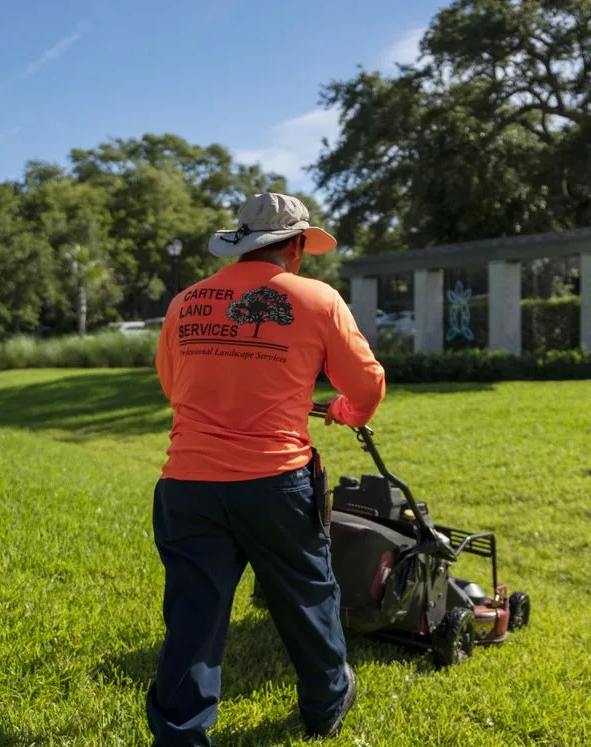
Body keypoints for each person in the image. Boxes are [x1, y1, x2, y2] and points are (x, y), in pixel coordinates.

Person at [147, 193, 386, 745]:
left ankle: (180, 734)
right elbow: (367, 383)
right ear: (297, 244)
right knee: (306, 594)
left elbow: (171, 384)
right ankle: (326, 702)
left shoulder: (186, 302)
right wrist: (347, 412)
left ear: (241, 243)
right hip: (275, 483)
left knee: (194, 616)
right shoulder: (317, 300)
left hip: (187, 484)